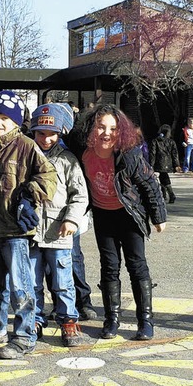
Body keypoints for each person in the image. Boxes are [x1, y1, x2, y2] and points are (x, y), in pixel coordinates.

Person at [0, 90, 57, 359]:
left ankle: (25, 336)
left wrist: (29, 195)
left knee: (21, 286)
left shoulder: (27, 146)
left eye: (5, 117)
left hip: (16, 231)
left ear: (16, 122)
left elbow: (48, 176)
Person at [72, 104, 167, 341]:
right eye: (100, 127)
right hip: (104, 215)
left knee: (137, 266)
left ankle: (145, 321)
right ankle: (111, 319)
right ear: (90, 128)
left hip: (129, 215)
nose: (106, 133)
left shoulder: (129, 154)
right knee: (109, 266)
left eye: (113, 128)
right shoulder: (83, 152)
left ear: (120, 131)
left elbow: (150, 184)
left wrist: (159, 217)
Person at [28, 103, 90, 347]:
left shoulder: (67, 160)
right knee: (32, 282)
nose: (45, 138)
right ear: (33, 132)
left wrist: (71, 219)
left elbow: (79, 194)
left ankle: (68, 321)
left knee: (63, 282)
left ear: (60, 133)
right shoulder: (26, 155)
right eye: (41, 133)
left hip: (58, 234)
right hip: (30, 233)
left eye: (51, 133)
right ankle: (34, 320)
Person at [149, 124, 182, 203]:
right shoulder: (171, 142)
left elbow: (152, 154)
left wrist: (151, 165)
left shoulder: (155, 141)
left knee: (164, 177)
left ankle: (170, 194)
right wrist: (176, 164)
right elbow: (175, 154)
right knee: (163, 177)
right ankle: (165, 195)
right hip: (168, 162)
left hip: (159, 162)